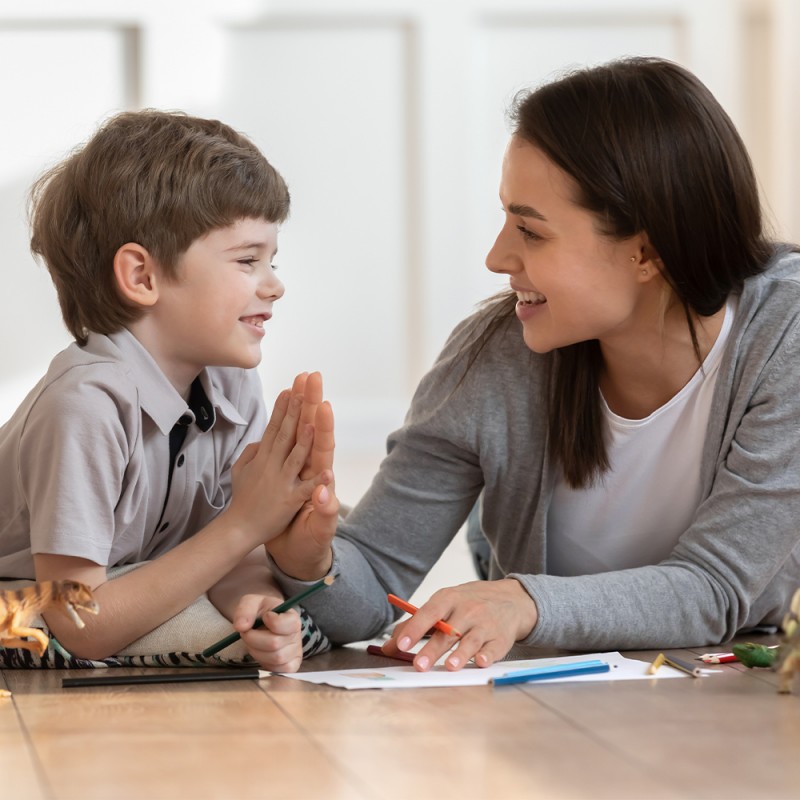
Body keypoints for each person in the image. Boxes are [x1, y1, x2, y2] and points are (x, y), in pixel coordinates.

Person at [265, 56, 800, 671]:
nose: (496, 257)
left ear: (646, 252)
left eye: (531, 231)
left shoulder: (783, 335)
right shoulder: (494, 353)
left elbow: (716, 588)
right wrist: (311, 561)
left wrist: (523, 601)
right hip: (555, 692)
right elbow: (372, 582)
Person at [0, 109, 335, 671]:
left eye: (271, 261)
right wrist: (247, 522)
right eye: (247, 260)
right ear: (142, 277)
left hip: (128, 574)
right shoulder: (84, 406)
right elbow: (79, 624)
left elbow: (232, 555)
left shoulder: (231, 384)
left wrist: (258, 603)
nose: (275, 285)